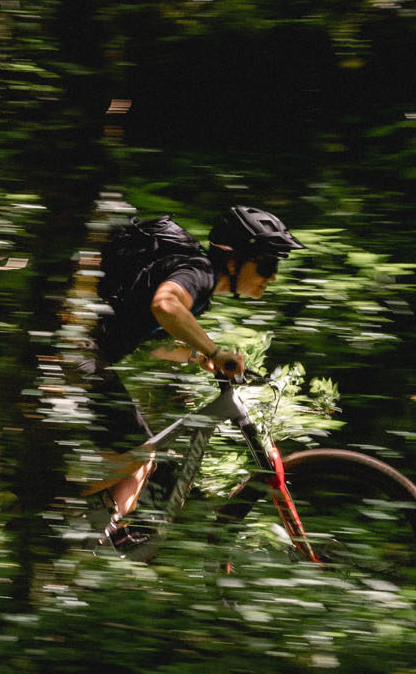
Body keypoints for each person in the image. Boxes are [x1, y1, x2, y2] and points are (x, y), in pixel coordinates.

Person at [81, 203, 302, 549]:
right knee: (139, 454)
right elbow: (165, 306)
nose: (271, 277)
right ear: (233, 261)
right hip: (80, 354)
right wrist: (214, 351)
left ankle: (94, 539)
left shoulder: (197, 285)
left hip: (86, 356)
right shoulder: (198, 272)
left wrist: (200, 355)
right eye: (266, 265)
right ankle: (53, 505)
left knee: (144, 458)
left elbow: (152, 341)